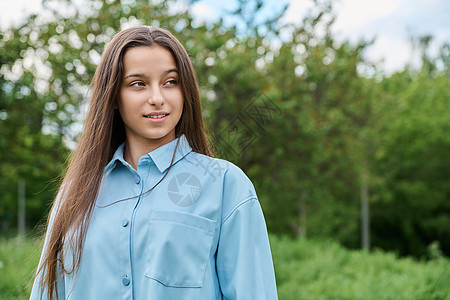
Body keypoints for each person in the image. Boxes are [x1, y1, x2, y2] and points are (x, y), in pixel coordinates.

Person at [30, 26, 278, 300]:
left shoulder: (227, 186)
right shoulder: (74, 195)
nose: (158, 98)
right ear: (113, 95)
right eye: (138, 84)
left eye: (171, 82)